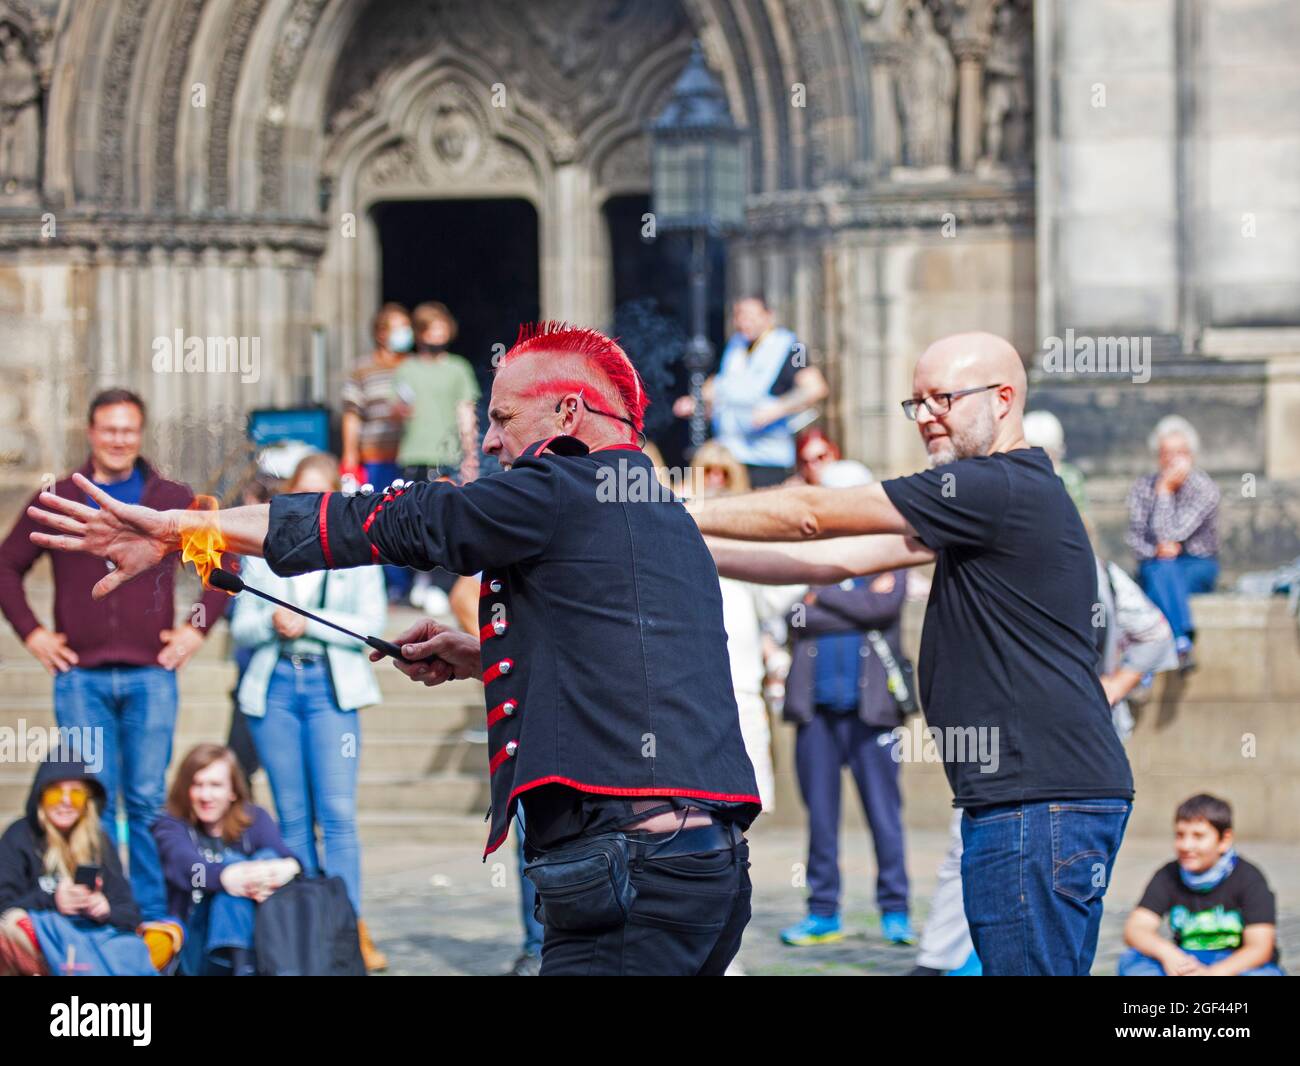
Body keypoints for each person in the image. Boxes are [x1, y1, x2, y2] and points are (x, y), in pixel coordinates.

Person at [28, 322, 762, 978]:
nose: (493, 441)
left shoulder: (562, 481)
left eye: (503, 419)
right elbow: (620, 653)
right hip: (710, 869)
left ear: (568, 414)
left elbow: (397, 519)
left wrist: (181, 528)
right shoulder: (660, 509)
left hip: (632, 872)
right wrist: (484, 654)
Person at [689, 331, 1135, 976]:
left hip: (1041, 799)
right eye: (916, 401)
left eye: (942, 398)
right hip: (1033, 797)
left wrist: (671, 508)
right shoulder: (987, 503)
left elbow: (815, 515)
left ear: (1003, 399)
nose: (925, 416)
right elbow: (829, 560)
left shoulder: (993, 486)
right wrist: (677, 544)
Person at [0, 388, 227, 921]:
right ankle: (100, 913)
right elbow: (6, 566)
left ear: (140, 434)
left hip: (151, 675)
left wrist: (196, 630)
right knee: (91, 804)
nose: (119, 439)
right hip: (80, 678)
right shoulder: (59, 496)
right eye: (109, 429)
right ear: (91, 432)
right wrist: (33, 633)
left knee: (147, 801)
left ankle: (148, 919)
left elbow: (222, 568)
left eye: (128, 430)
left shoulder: (170, 496)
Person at [229, 452, 388, 971]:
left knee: (338, 817)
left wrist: (306, 621)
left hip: (328, 687)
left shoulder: (360, 550)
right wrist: (272, 622)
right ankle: (308, 932)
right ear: (292, 498)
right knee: (293, 820)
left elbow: (371, 624)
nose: (318, 505)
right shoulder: (264, 549)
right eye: (308, 495)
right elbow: (240, 626)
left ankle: (350, 928)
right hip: (275, 686)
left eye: (327, 496)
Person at [777, 459, 914, 949]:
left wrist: (823, 601)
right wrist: (837, 607)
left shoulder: (888, 552)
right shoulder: (806, 550)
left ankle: (896, 910)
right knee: (820, 819)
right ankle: (821, 911)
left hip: (872, 710)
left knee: (884, 814)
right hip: (815, 711)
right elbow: (792, 615)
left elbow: (883, 609)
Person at [689, 440, 803, 812]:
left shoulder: (746, 531)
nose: (717, 481)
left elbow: (773, 598)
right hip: (690, 680)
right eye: (708, 473)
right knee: (696, 799)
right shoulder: (675, 522)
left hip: (742, 678)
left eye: (725, 473)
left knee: (745, 797)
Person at [153, 744, 301, 976]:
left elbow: (288, 858)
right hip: (196, 944)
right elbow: (188, 869)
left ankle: (246, 965)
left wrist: (279, 870)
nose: (206, 795)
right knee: (232, 869)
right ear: (185, 789)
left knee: (267, 858)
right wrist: (226, 877)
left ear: (233, 791)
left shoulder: (255, 818)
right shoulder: (170, 825)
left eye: (215, 785)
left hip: (258, 937)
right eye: (197, 785)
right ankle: (244, 968)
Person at [0, 757, 156, 976]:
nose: (65, 801)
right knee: (12, 925)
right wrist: (53, 899)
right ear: (40, 797)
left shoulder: (98, 840)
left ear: (87, 801)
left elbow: (131, 914)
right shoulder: (19, 835)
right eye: (55, 792)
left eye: (76, 794)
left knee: (162, 936)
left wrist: (104, 909)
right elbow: (4, 907)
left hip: (92, 938)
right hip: (42, 943)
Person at [1120, 794, 1284, 976]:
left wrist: (1213, 973)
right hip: (1185, 960)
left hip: (1234, 962)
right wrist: (1168, 954)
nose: (1186, 845)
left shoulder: (1249, 877)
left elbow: (1260, 947)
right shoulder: (1168, 874)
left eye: (1198, 836)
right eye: (1180, 835)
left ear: (1225, 840)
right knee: (1132, 960)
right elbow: (1136, 929)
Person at [673, 295, 828, 487]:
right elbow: (718, 384)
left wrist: (777, 409)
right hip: (730, 456)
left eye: (750, 316)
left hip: (767, 459)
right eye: (739, 315)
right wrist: (695, 401)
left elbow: (814, 388)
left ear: (768, 316)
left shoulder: (794, 347)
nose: (743, 321)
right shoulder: (734, 345)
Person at [1127, 415, 1220, 672]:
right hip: (1155, 563)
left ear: (1191, 455)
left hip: (1196, 564)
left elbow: (1171, 533)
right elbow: (1135, 542)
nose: (1173, 460)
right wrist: (1156, 549)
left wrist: (1165, 491)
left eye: (1180, 453)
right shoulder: (1141, 488)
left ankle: (1146, 667)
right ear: (1158, 456)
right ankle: (1181, 641)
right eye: (1167, 453)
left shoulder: (1204, 489)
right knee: (1160, 569)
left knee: (1160, 576)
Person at [341, 302, 414, 603]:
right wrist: (349, 457)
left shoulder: (414, 367)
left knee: (409, 520)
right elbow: (352, 414)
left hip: (410, 458)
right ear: (381, 333)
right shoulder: (362, 369)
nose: (404, 333)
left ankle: (409, 585)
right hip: (375, 457)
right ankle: (384, 586)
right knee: (376, 519)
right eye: (398, 327)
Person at [395, 301, 480, 485]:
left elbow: (466, 413)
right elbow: (394, 410)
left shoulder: (458, 368)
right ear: (419, 332)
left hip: (449, 457)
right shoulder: (405, 369)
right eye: (432, 329)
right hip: (413, 456)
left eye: (442, 329)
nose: (438, 335)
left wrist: (470, 456)